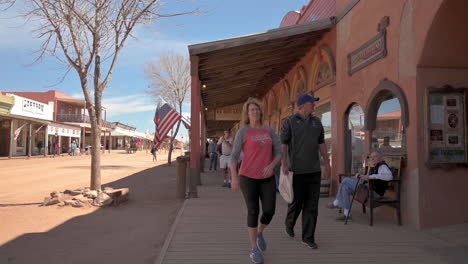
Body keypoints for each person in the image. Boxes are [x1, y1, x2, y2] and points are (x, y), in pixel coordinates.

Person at [230, 97, 282, 264]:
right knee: (253, 211)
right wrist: (234, 178)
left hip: (267, 177)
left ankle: (260, 232)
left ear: (260, 112)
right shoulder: (243, 132)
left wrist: (272, 165)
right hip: (247, 177)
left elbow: (279, 152)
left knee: (269, 210)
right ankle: (254, 248)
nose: (255, 112)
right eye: (252, 110)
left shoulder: (269, 130)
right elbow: (234, 156)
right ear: (247, 113)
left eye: (257, 109)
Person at [281, 94, 330, 249]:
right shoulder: (289, 122)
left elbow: (321, 143)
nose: (314, 106)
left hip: (314, 170)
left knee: (312, 206)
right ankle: (289, 224)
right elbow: (283, 144)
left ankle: (308, 238)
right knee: (297, 203)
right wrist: (284, 163)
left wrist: (326, 163)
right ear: (302, 105)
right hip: (297, 170)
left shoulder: (317, 122)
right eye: (311, 103)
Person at [326, 151, 393, 221]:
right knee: (345, 188)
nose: (372, 159)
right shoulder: (375, 166)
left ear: (380, 158)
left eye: (375, 157)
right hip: (367, 189)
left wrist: (370, 177)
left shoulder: (382, 166)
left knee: (345, 180)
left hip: (374, 193)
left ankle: (336, 202)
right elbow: (370, 178)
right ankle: (347, 215)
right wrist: (362, 176)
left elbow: (389, 176)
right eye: (371, 157)